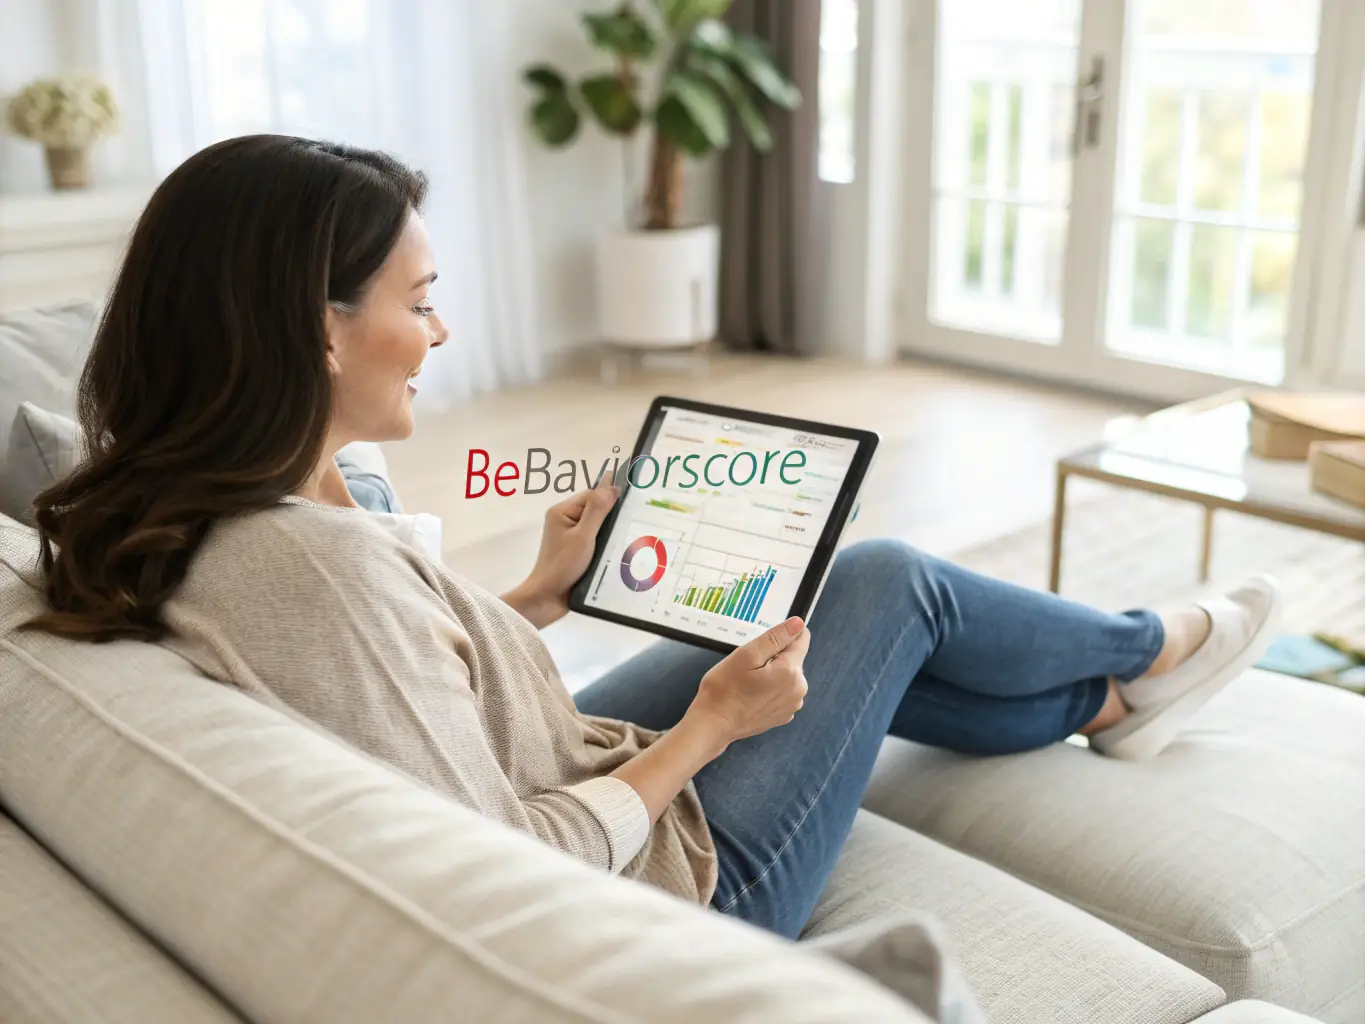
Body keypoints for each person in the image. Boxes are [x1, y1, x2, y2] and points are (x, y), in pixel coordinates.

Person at [27, 136, 1281, 940]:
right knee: (891, 587)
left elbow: (390, 689)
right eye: (421, 301)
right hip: (678, 889)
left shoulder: (235, 501)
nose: (444, 331)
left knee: (838, 603)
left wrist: (536, 598)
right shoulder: (302, 563)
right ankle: (1151, 646)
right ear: (318, 328)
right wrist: (713, 726)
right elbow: (505, 868)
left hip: (555, 750)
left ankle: (1108, 700)